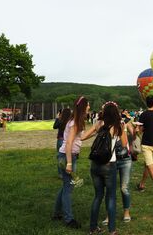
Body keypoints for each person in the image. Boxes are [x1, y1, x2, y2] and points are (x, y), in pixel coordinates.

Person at [53, 96, 99, 229]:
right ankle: (69, 219)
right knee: (69, 188)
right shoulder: (74, 122)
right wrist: (68, 163)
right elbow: (68, 143)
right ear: (84, 107)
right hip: (67, 156)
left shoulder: (77, 121)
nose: (89, 107)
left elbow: (82, 137)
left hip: (68, 156)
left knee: (65, 186)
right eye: (88, 105)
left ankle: (56, 213)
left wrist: (95, 130)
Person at [88, 101, 128, 235]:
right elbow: (124, 144)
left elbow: (83, 137)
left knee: (97, 196)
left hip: (95, 165)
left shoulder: (99, 124)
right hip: (109, 165)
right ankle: (112, 230)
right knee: (111, 197)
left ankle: (92, 228)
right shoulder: (117, 126)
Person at [103, 108, 135, 225]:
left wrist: (128, 129)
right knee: (110, 189)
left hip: (125, 159)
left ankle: (126, 211)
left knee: (124, 188)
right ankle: (108, 214)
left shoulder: (123, 123)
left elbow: (127, 140)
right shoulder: (104, 125)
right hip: (111, 161)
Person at [136, 95, 153, 195]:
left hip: (146, 144)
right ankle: (141, 185)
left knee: (149, 166)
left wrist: (137, 128)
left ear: (146, 103)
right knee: (148, 165)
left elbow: (139, 131)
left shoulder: (143, 115)